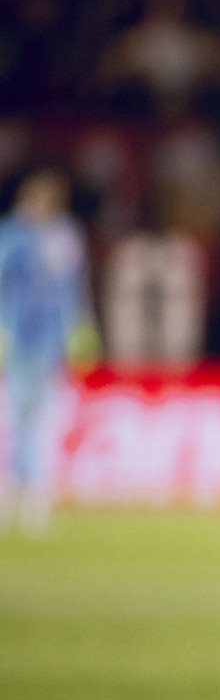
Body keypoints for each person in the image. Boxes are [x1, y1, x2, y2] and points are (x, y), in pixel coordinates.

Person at [0, 168, 95, 533]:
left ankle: (37, 496)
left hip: (50, 343)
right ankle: (11, 491)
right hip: (16, 340)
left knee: (44, 421)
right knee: (13, 418)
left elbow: (74, 288)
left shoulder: (65, 235)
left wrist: (80, 329)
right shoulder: (12, 235)